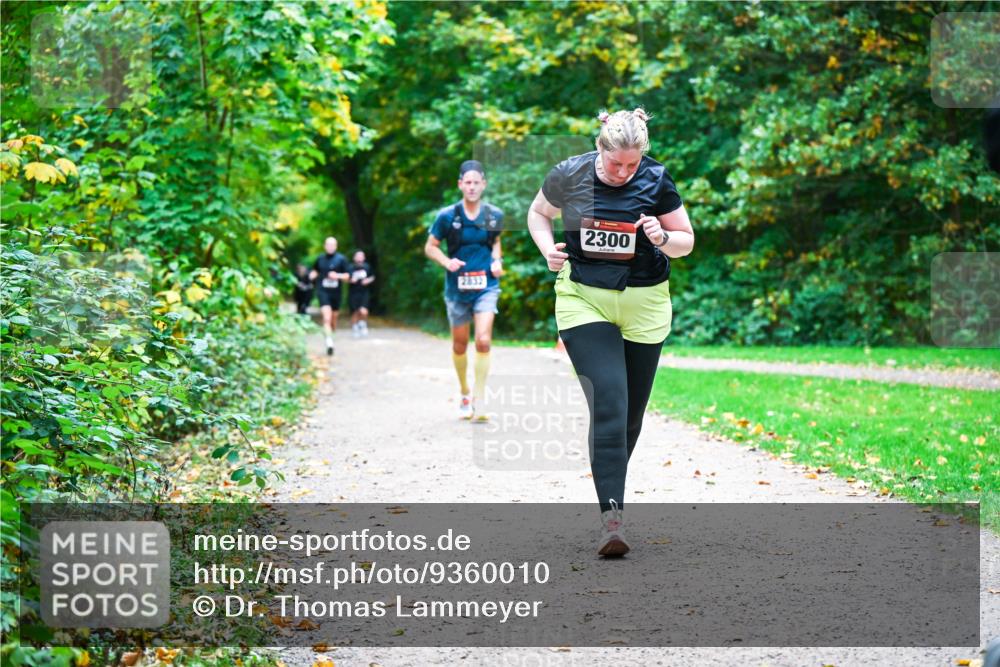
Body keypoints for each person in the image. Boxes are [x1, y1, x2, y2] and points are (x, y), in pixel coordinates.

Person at [526, 108, 695, 557]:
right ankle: (612, 519)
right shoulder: (569, 173)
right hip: (585, 298)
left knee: (630, 416)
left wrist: (661, 237)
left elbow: (687, 242)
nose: (623, 172)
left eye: (631, 164)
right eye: (615, 163)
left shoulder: (657, 179)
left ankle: (610, 487)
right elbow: (538, 214)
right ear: (599, 147)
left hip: (646, 303)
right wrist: (548, 250)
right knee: (609, 399)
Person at [424, 160, 504, 421]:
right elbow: (430, 247)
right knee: (460, 344)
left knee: (483, 340)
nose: (471, 187)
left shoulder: (494, 215)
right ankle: (465, 392)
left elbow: (495, 244)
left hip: (486, 286)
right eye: (467, 182)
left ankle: (479, 398)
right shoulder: (447, 216)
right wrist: (447, 262)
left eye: (476, 182)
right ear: (460, 185)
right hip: (457, 288)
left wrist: (497, 261)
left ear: (484, 184)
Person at [309, 237, 351, 356]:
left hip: (336, 293)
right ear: (325, 246)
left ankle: (331, 337)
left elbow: (348, 276)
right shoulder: (320, 259)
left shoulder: (341, 259)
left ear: (336, 246)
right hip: (323, 291)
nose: (330, 247)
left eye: (332, 245)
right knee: (326, 318)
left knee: (333, 320)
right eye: (328, 244)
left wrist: (337, 275)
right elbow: (315, 271)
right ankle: (329, 343)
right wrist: (311, 276)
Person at [348, 250, 376, 338]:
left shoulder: (367, 267)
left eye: (361, 256)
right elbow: (345, 277)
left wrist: (368, 280)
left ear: (364, 258)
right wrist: (350, 280)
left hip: (364, 292)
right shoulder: (350, 267)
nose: (359, 258)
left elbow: (372, 276)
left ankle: (362, 324)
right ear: (354, 258)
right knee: (355, 312)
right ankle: (355, 327)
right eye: (358, 256)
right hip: (353, 293)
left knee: (364, 311)